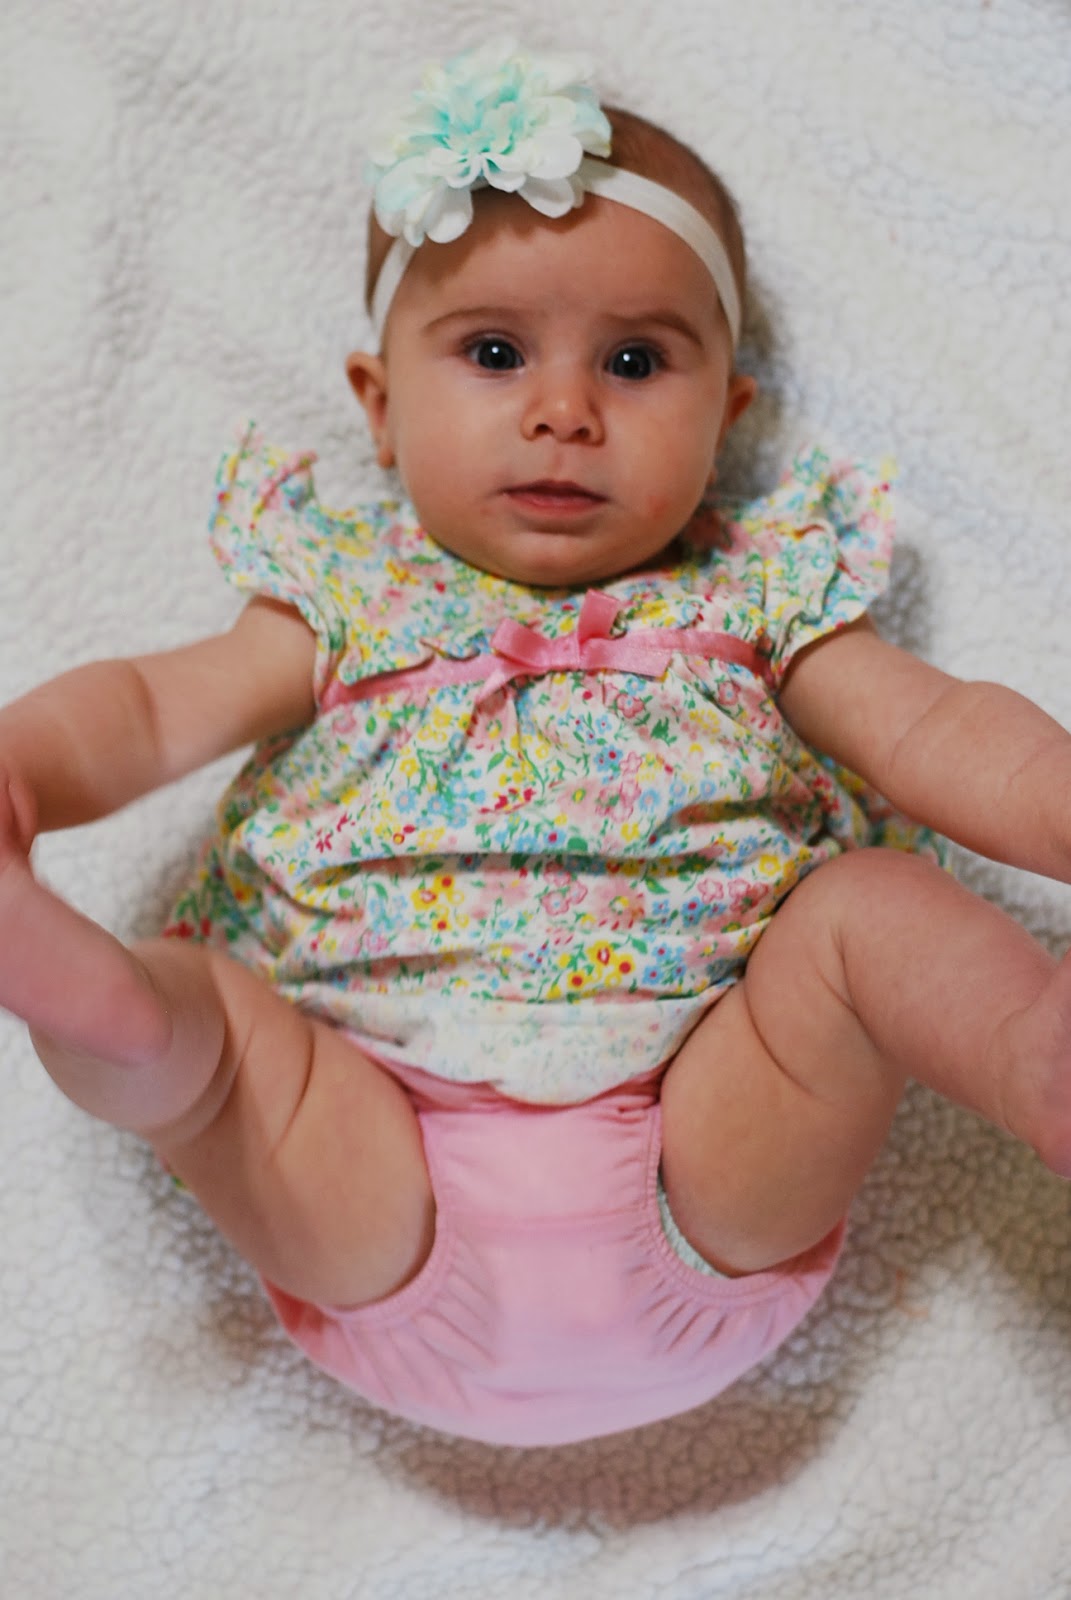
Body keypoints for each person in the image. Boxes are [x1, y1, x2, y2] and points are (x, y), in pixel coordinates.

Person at [1, 41, 1069, 1448]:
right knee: (203, 1026)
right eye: (495, 353)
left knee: (872, 918)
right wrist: (23, 767)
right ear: (380, 406)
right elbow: (148, 709)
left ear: (725, 416)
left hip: (707, 1148)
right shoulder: (345, 595)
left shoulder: (756, 594)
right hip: (376, 1163)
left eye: (636, 361)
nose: (566, 410)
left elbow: (932, 726)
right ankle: (94, 1007)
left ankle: (1035, 1051)